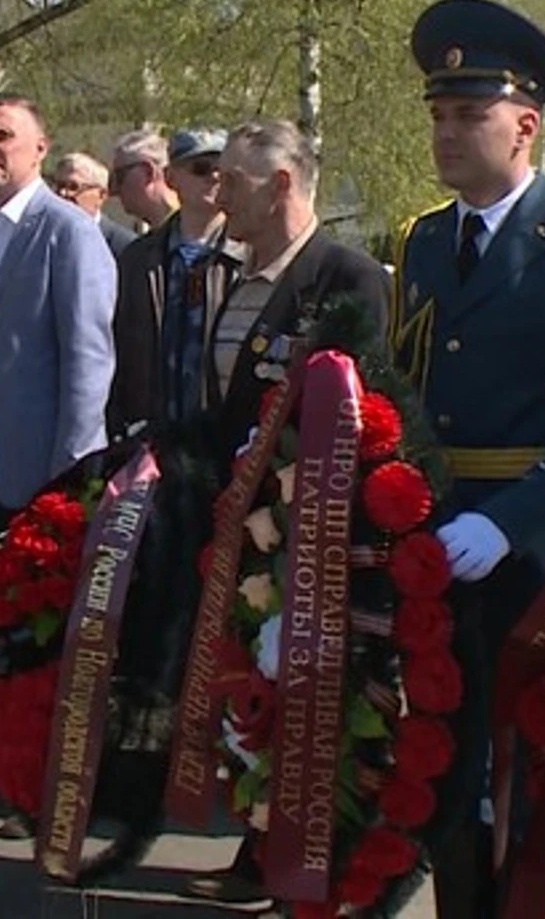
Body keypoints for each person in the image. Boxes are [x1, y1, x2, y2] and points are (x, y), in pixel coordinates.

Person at [389, 0, 545, 919]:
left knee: (539, 769)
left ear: (525, 124)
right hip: (434, 537)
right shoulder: (422, 239)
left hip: (536, 542)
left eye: (470, 114)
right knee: (444, 759)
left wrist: (505, 525)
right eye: (439, 115)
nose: (448, 133)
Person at [182, 119, 393, 904]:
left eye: (231, 181)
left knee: (310, 695)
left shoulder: (347, 276)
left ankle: (309, 857)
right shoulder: (239, 280)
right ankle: (261, 842)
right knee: (255, 689)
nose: (215, 193)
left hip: (313, 532)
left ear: (279, 186)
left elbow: (360, 412)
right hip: (243, 523)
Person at [0, 92, 117, 837]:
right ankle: (2, 765)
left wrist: (69, 481)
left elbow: (87, 360)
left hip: (39, 471)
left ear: (40, 148)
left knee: (42, 633)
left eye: (3, 135)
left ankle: (45, 785)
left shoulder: (66, 235)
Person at [108, 127, 248, 437]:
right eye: (201, 169)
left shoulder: (250, 259)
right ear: (171, 178)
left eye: (222, 171)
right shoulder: (137, 260)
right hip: (151, 438)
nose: (213, 178)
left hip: (223, 442)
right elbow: (117, 350)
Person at [52, 151, 137, 255]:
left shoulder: (124, 246)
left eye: (73, 187)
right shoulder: (44, 236)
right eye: (59, 186)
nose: (62, 193)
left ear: (101, 195)